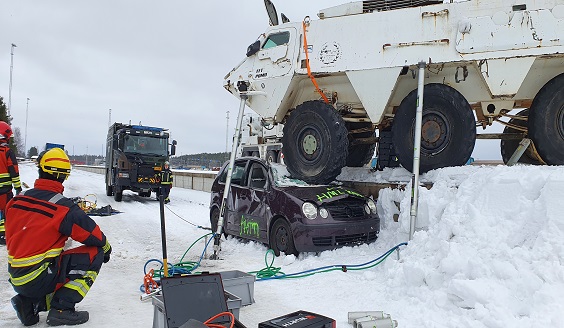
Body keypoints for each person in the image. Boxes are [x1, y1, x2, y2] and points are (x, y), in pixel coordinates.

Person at [5, 147, 112, 326]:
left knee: (47, 261)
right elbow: (94, 235)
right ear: (64, 176)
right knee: (96, 253)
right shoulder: (63, 208)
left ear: (40, 169)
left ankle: (30, 303)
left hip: (16, 278)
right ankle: (62, 309)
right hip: (38, 278)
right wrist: (107, 248)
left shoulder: (17, 200)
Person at [0, 121, 22, 245]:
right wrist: (18, 188)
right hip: (4, 190)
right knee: (5, 212)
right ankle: (2, 235)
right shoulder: (7, 152)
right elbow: (14, 172)